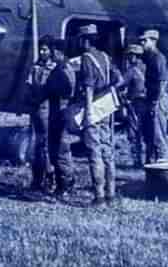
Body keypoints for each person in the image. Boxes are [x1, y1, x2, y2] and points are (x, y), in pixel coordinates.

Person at [76, 24, 123, 206]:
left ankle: (99, 196)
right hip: (107, 107)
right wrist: (107, 90)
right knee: (107, 151)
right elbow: (118, 80)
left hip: (93, 108)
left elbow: (88, 87)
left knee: (94, 152)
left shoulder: (86, 58)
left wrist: (88, 111)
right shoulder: (105, 56)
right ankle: (111, 195)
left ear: (85, 40)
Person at [41, 39, 77, 197]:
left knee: (60, 150)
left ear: (58, 52)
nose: (51, 53)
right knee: (59, 149)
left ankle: (65, 185)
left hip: (60, 112)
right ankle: (64, 183)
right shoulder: (67, 67)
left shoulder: (62, 69)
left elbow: (66, 90)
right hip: (61, 111)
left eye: (53, 50)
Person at [26, 35, 57, 192]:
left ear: (51, 51)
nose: (43, 52)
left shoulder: (54, 68)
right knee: (36, 146)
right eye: (41, 49)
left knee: (46, 145)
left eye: (46, 49)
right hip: (36, 110)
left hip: (49, 110)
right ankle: (37, 178)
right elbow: (29, 86)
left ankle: (50, 177)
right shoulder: (35, 67)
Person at [139, 29, 168, 163]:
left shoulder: (158, 58)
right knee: (150, 132)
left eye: (145, 41)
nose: (142, 43)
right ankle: (152, 162)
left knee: (158, 134)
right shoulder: (149, 57)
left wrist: (156, 102)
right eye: (141, 41)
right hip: (151, 98)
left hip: (158, 99)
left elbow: (162, 82)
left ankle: (163, 163)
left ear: (153, 41)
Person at [122, 44, 148, 168]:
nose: (128, 58)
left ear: (134, 56)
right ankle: (149, 160)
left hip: (135, 104)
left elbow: (120, 84)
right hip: (147, 103)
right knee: (146, 132)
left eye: (130, 55)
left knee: (133, 133)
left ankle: (137, 161)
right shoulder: (147, 67)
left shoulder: (132, 70)